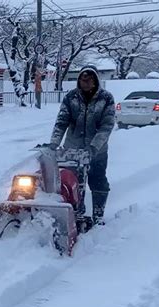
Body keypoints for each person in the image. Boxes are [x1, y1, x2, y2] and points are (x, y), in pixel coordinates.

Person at [50, 65, 115, 225]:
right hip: (72, 150)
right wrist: (54, 143)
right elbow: (61, 121)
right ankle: (76, 213)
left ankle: (98, 215)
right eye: (82, 80)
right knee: (71, 181)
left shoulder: (106, 98)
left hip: (97, 151)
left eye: (89, 80)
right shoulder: (71, 97)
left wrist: (94, 147)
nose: (85, 83)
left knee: (97, 180)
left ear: (96, 81)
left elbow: (107, 125)